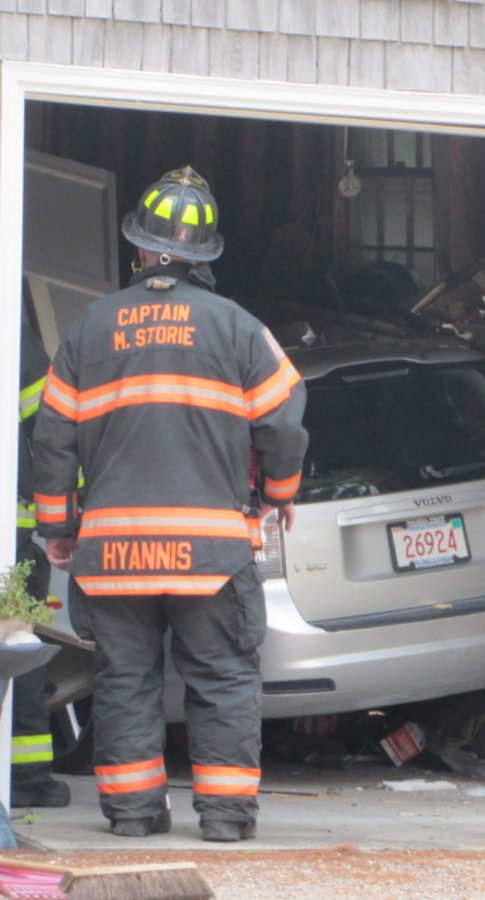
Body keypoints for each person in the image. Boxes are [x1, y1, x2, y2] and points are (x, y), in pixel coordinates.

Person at [31, 166, 308, 842]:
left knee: (125, 681)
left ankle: (131, 816)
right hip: (211, 556)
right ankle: (224, 818)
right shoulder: (240, 329)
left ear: (139, 247)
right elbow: (284, 422)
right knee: (220, 679)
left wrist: (58, 528)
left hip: (114, 554)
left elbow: (51, 437)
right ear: (207, 254)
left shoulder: (89, 329)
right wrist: (279, 496)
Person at [12, 305, 70, 809]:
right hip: (12, 534)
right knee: (17, 647)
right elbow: (50, 424)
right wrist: (64, 515)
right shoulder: (8, 319)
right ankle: (26, 777)